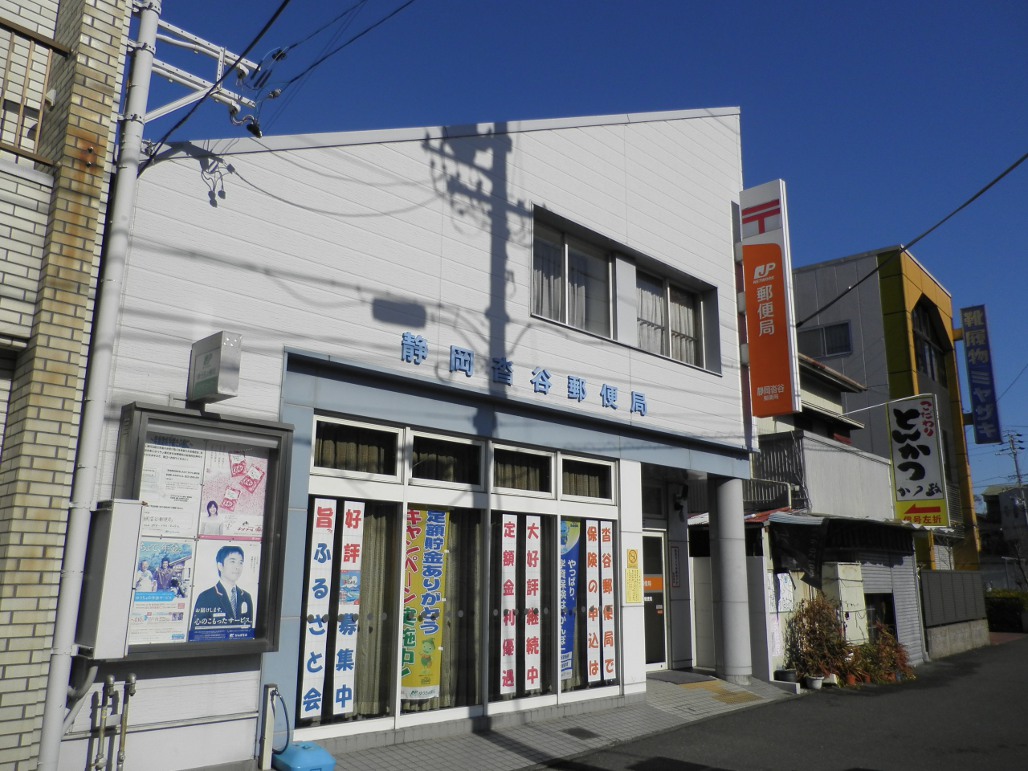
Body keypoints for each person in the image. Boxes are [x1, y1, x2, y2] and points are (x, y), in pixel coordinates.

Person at [189, 545, 253, 633]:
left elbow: (248, 629)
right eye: (232, 562)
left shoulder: (246, 596)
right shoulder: (206, 597)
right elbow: (196, 632)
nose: (237, 567)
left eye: (240, 562)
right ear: (220, 566)